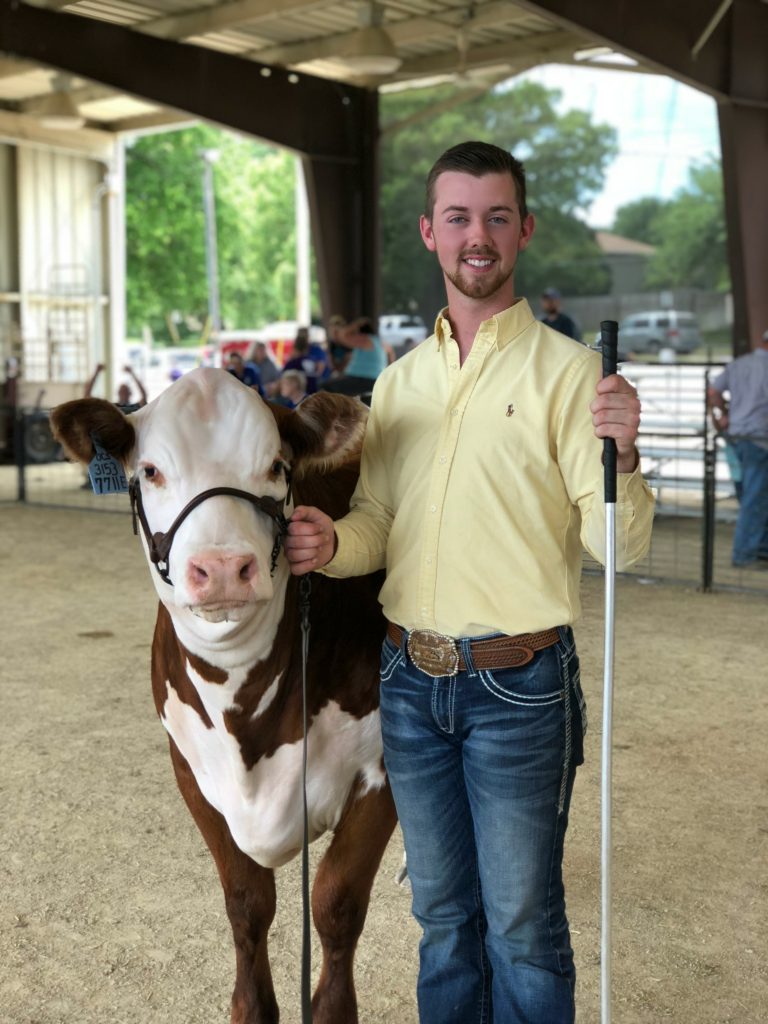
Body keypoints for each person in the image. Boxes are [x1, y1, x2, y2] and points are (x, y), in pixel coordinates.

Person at [285, 140, 654, 1024]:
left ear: (524, 230)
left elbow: (619, 548)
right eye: (458, 217)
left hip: (521, 688)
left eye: (496, 217)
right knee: (443, 917)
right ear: (430, 232)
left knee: (521, 925)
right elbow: (379, 525)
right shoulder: (399, 383)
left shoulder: (573, 374)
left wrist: (626, 457)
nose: (476, 236)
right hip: (411, 686)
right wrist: (330, 541)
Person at [708, 330, 768, 569]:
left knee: (750, 494)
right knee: (755, 497)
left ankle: (760, 548)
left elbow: (713, 392)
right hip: (760, 439)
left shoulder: (739, 364)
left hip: (737, 438)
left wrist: (725, 413)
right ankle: (745, 553)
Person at [322, 316, 393, 396]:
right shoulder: (379, 342)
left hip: (364, 379)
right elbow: (391, 358)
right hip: (372, 378)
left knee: (325, 387)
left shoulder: (364, 340)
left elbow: (342, 336)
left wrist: (357, 324)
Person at [282, 329, 330, 394]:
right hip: (313, 389)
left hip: (307, 390)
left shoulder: (293, 363)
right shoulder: (311, 360)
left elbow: (320, 368)